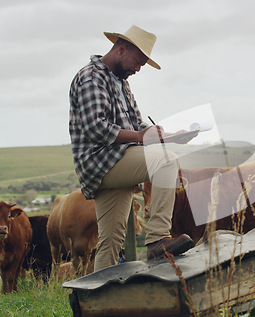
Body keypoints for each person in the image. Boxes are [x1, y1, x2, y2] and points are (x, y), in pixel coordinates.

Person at [69, 25, 195, 272]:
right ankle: (158, 239)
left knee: (111, 242)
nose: (138, 69)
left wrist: (169, 136)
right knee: (167, 161)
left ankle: (99, 303)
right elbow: (96, 127)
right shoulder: (91, 78)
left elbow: (138, 123)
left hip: (117, 161)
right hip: (101, 161)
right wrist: (140, 136)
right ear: (121, 49)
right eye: (137, 62)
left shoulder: (121, 83)